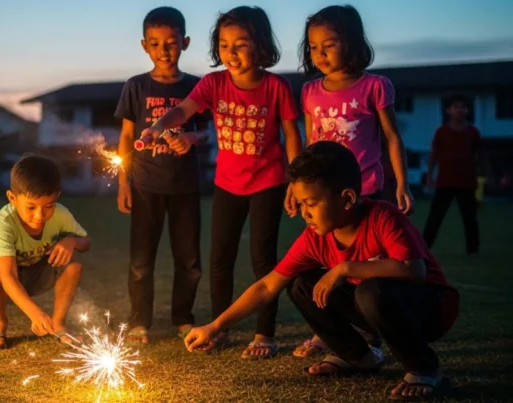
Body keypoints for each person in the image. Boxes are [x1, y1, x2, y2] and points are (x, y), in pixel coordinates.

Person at [185, 141, 459, 401]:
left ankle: (424, 369)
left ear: (347, 198)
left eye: (312, 204)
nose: (304, 213)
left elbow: (415, 270)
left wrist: (345, 268)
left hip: (429, 310)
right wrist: (215, 326)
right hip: (375, 308)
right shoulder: (315, 238)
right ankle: (358, 358)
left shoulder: (383, 217)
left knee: (370, 290)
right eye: (301, 204)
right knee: (301, 284)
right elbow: (268, 286)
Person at [142, 6, 302, 358]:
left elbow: (292, 134)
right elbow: (183, 110)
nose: (231, 52)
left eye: (241, 44)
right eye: (224, 44)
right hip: (227, 184)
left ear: (259, 44)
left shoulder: (277, 87)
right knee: (220, 260)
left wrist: (295, 180)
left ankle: (264, 334)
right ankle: (220, 328)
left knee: (264, 260)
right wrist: (157, 127)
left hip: (269, 182)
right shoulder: (214, 83)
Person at [289, 4, 416, 359]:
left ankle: (373, 330)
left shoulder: (375, 85)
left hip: (366, 188)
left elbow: (392, 137)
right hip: (323, 193)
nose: (320, 54)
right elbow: (311, 142)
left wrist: (402, 183)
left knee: (367, 264)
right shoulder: (311, 91)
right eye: (314, 47)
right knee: (325, 261)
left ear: (353, 42)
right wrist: (295, 187)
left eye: (329, 44)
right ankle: (335, 331)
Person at [114, 6, 210, 345]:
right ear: (144, 46)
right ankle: (139, 321)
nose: (163, 50)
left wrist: (190, 139)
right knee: (141, 260)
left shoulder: (196, 87)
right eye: (155, 43)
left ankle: (183, 318)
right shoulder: (136, 86)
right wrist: (124, 181)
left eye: (170, 42)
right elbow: (126, 137)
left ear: (184, 42)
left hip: (184, 185)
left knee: (189, 260)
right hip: (144, 186)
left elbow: (207, 133)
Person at [0, 155, 90, 349]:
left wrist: (71, 241)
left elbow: (86, 243)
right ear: (12, 198)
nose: (39, 216)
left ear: (56, 197)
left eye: (48, 206)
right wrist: (35, 313)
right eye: (31, 207)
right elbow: (8, 275)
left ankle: (59, 324)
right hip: (6, 279)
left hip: (39, 272)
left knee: (74, 259)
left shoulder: (61, 214)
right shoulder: (3, 223)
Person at [422, 95, 481, 256]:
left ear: (468, 110)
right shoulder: (442, 132)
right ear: (448, 110)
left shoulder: (473, 132)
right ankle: (424, 248)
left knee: (470, 217)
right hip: (445, 181)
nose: (460, 110)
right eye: (456, 106)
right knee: (435, 216)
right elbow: (433, 155)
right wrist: (429, 175)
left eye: (463, 107)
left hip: (467, 182)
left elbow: (479, 155)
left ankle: (473, 250)